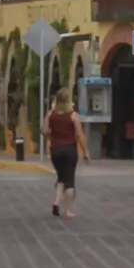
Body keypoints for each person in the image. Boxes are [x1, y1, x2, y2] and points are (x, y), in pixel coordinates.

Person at [47, 89, 88, 218]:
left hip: (55, 150)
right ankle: (68, 210)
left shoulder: (50, 114)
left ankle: (56, 202)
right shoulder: (73, 116)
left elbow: (44, 130)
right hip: (69, 149)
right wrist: (85, 151)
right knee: (69, 179)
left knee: (61, 177)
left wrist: (52, 133)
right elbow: (80, 135)